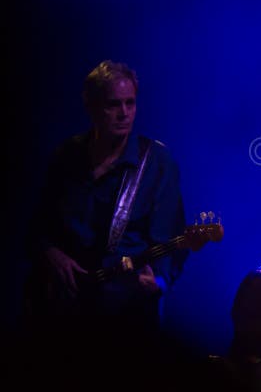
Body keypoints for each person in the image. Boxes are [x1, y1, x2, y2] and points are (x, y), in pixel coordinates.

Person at [21, 60, 189, 390]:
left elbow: (172, 238)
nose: (124, 113)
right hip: (62, 314)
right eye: (113, 104)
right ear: (91, 105)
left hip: (124, 317)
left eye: (131, 103)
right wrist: (51, 253)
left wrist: (160, 280)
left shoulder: (155, 163)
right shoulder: (67, 156)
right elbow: (35, 229)